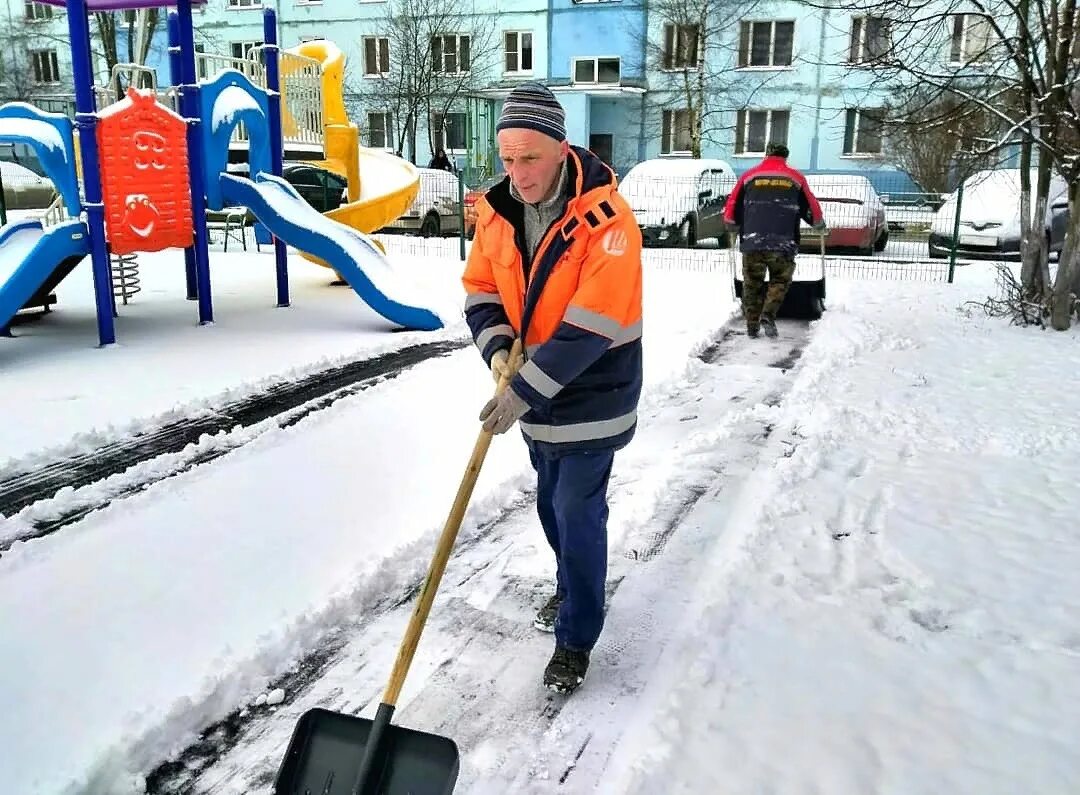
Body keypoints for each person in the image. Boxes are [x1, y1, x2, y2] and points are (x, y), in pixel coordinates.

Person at [461, 82, 643, 695]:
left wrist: (520, 393)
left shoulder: (607, 220)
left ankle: (575, 637)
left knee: (575, 507)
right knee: (549, 501)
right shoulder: (496, 211)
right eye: (507, 158)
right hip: (534, 391)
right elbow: (481, 289)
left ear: (561, 149)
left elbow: (592, 325)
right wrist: (497, 351)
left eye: (530, 158)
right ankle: (572, 583)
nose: (519, 173)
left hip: (593, 391)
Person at [723, 142, 826, 338]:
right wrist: (818, 224)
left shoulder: (748, 176)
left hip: (753, 241)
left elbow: (733, 204)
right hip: (783, 242)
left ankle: (751, 326)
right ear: (785, 156)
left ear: (767, 154)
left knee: (752, 283)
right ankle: (768, 315)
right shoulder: (795, 178)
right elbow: (811, 207)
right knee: (779, 280)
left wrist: (731, 224)